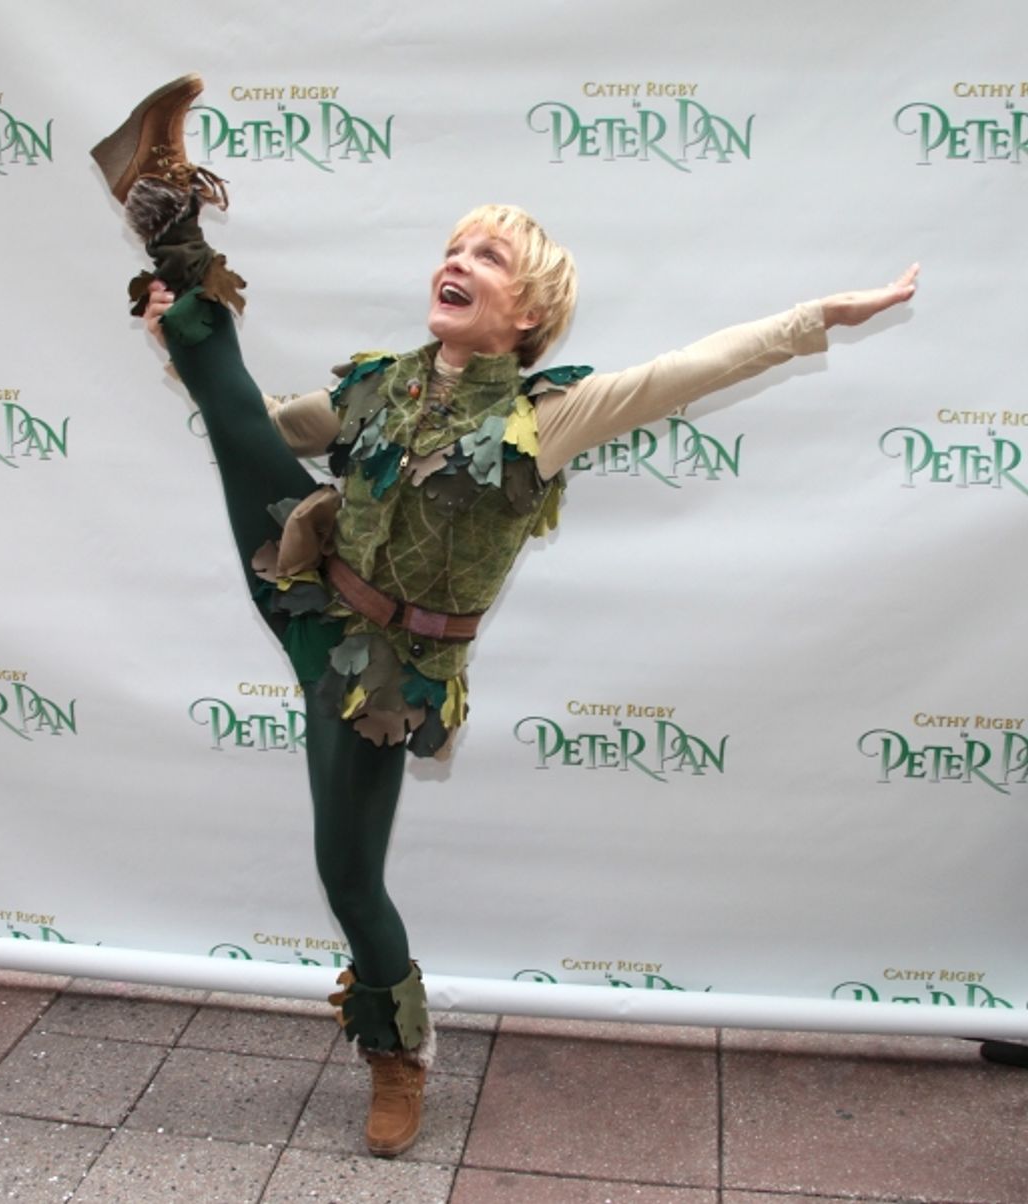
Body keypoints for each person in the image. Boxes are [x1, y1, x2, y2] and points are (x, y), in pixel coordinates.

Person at [90, 72, 918, 1158]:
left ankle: (396, 1051)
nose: (459, 260)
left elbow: (686, 371)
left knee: (349, 877)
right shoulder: (380, 383)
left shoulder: (547, 414)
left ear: (528, 314)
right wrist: (181, 348)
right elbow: (266, 425)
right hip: (308, 583)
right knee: (237, 410)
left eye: (488, 255)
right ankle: (163, 207)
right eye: (454, 246)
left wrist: (817, 318)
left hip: (386, 676)